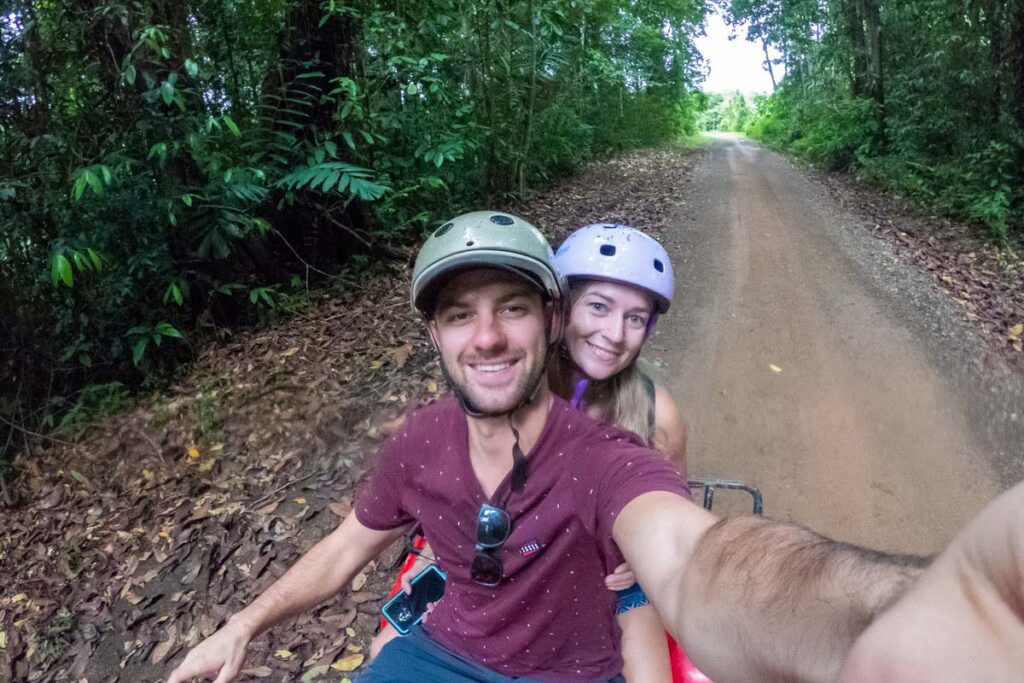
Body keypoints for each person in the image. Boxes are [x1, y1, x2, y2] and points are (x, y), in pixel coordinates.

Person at [165, 210, 1016, 683]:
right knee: (386, 654)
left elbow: (694, 553)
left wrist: (890, 605)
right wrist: (243, 623)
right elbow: (348, 544)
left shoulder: (622, 437)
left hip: (591, 617)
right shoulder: (425, 437)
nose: (488, 337)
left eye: (511, 310)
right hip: (458, 637)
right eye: (462, 315)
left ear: (541, 317)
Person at [368, 223, 688, 681]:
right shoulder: (507, 382)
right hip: (497, 561)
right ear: (557, 312)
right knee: (384, 648)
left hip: (608, 579)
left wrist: (643, 563)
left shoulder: (656, 412)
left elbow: (670, 514)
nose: (614, 333)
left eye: (635, 318)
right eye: (598, 307)